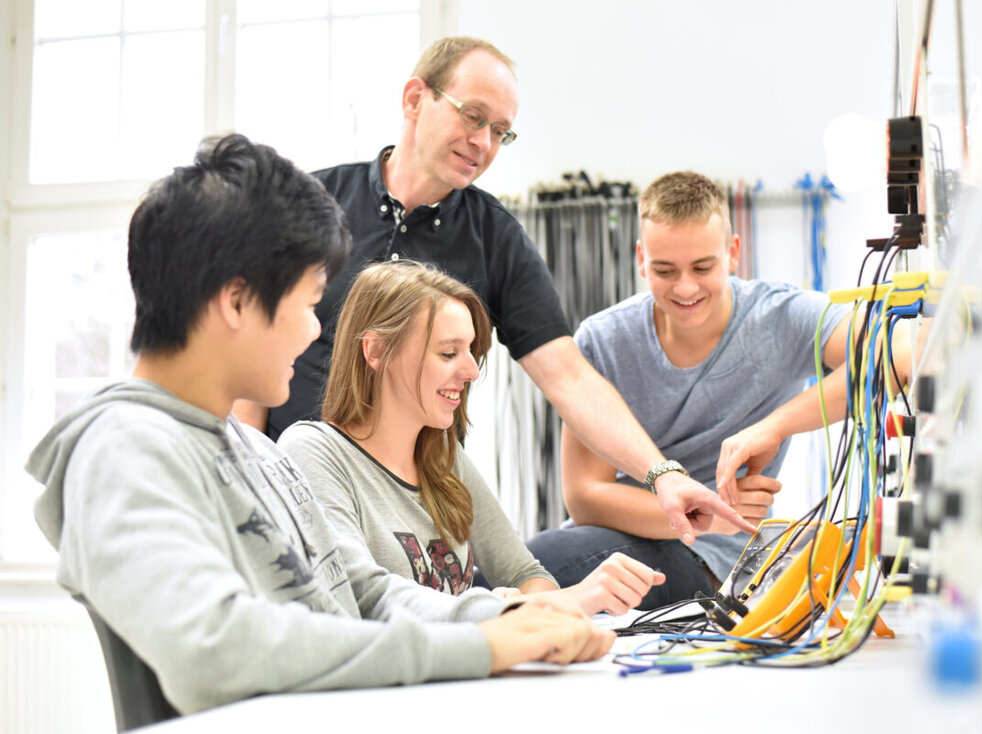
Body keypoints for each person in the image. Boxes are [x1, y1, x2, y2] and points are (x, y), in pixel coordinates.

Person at [26, 134, 613, 717]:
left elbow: (362, 591)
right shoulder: (124, 449)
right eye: (308, 304)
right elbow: (216, 648)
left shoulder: (260, 453)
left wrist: (507, 619)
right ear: (236, 302)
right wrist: (480, 645)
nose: (315, 332)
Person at [231, 36, 752, 543]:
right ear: (416, 99)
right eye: (473, 116)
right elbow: (253, 355)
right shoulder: (311, 204)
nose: (484, 143)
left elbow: (568, 376)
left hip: (414, 514)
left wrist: (661, 475)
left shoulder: (495, 238)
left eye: (501, 131)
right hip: (294, 492)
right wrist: (249, 489)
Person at [526, 170, 867, 609]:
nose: (685, 287)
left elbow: (894, 357)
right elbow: (585, 496)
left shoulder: (783, 317)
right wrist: (706, 518)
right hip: (610, 536)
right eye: (665, 270)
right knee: (522, 567)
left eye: (703, 267)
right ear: (641, 259)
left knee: (529, 571)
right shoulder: (603, 339)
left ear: (734, 253)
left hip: (710, 561)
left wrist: (774, 427)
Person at [279, 260, 666, 617]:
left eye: (470, 351)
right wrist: (517, 607)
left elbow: (525, 573)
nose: (470, 371)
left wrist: (525, 603)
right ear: (377, 351)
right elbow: (362, 594)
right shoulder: (312, 452)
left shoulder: (443, 455)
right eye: (448, 353)